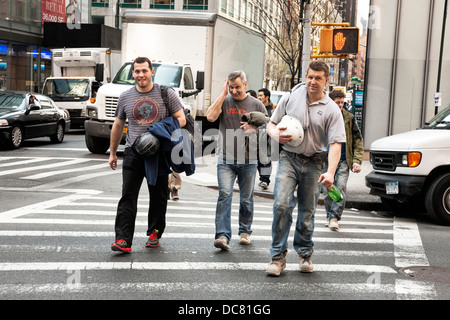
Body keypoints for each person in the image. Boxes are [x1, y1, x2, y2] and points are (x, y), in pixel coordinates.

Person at [265, 60, 346, 275]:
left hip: (315, 162)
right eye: (310, 77)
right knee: (281, 204)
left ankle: (304, 253)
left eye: (318, 78)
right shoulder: (291, 96)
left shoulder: (331, 110)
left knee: (307, 212)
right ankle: (277, 257)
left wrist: (330, 172)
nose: (312, 81)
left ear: (326, 81)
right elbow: (271, 124)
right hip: (289, 158)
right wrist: (275, 135)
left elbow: (336, 143)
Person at [109, 57, 186, 253]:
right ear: (132, 74)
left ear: (152, 72)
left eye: (144, 70)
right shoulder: (125, 96)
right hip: (133, 152)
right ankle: (123, 239)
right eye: (137, 71)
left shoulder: (165, 93)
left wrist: (161, 130)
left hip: (158, 153)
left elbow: (182, 119)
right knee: (128, 195)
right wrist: (112, 152)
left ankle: (155, 233)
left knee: (158, 195)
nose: (140, 75)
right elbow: (118, 125)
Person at [206, 70, 268, 250]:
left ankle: (245, 231)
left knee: (246, 199)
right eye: (231, 87)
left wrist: (255, 129)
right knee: (224, 195)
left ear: (246, 85)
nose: (234, 91)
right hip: (226, 158)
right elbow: (210, 116)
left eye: (237, 87)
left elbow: (268, 126)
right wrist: (223, 93)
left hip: (249, 160)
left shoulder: (256, 104)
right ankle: (222, 236)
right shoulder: (224, 101)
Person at [324, 90, 364, 231]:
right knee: (328, 189)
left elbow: (358, 141)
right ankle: (329, 215)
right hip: (326, 159)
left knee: (340, 187)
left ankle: (334, 217)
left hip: (343, 160)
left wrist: (357, 160)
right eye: (337, 102)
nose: (340, 105)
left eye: (342, 102)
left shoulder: (349, 118)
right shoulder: (324, 116)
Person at [257, 88, 276, 190]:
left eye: (261, 95)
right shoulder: (257, 107)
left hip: (267, 139)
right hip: (256, 138)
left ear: (267, 97)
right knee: (256, 161)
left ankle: (265, 180)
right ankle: (262, 178)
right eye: (258, 95)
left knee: (265, 160)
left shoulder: (274, 109)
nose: (259, 97)